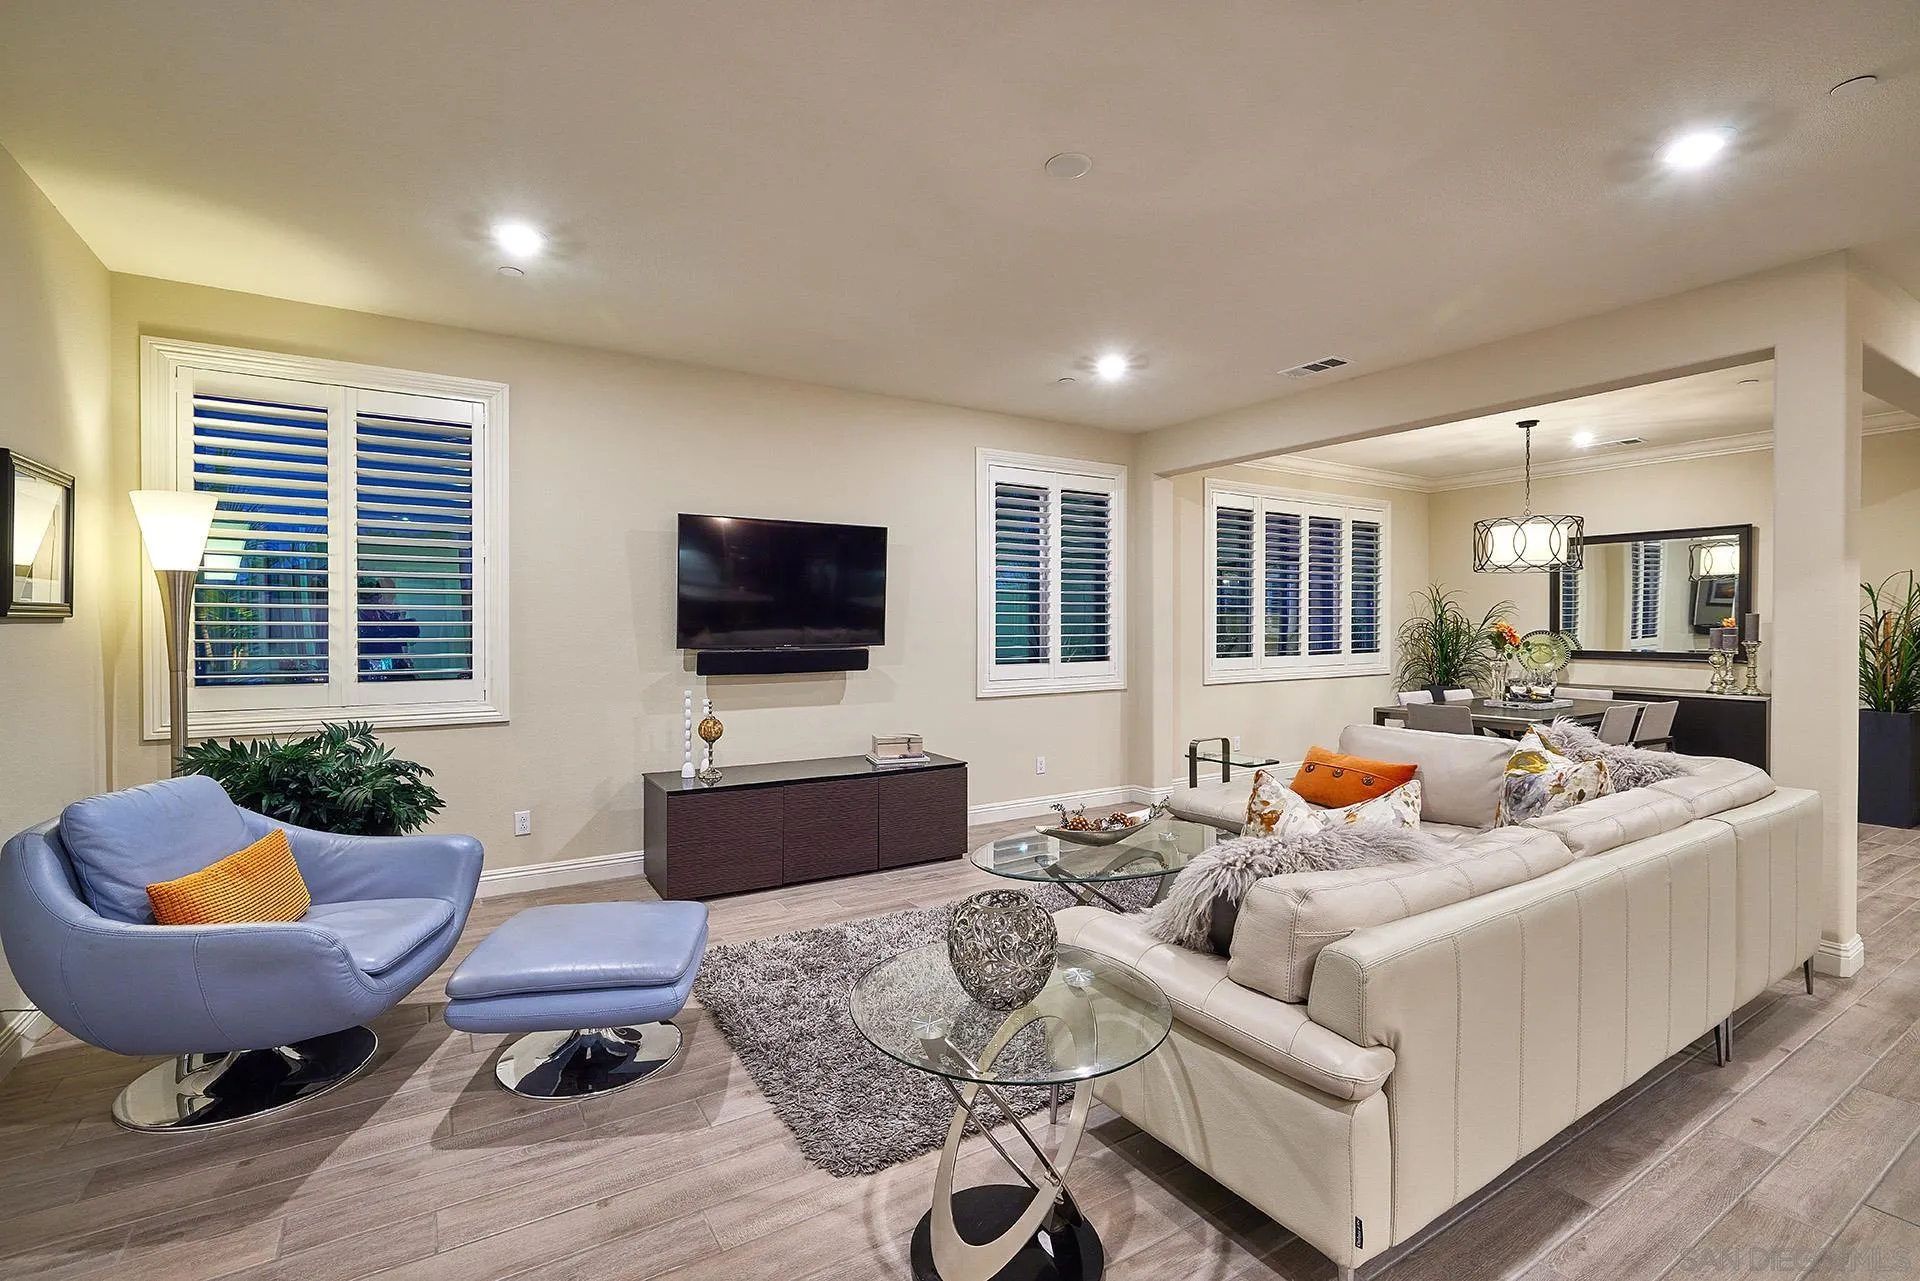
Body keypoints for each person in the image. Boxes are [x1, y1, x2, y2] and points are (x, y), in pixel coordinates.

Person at [358, 576, 418, 675]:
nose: (391, 601)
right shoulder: (364, 616)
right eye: (389, 596)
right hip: (375, 668)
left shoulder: (388, 615)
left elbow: (412, 635)